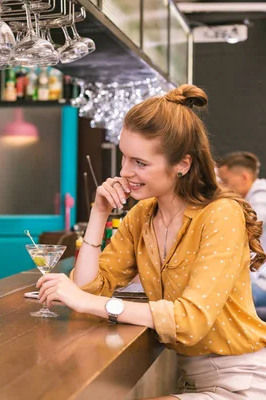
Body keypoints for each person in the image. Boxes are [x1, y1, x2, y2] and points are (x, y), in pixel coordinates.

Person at [37, 84, 266, 399]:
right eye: (124, 158)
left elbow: (190, 320)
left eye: (140, 163)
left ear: (182, 164)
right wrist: (99, 213)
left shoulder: (220, 214)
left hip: (243, 382)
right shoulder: (142, 215)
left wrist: (88, 302)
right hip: (193, 380)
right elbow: (88, 288)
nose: (124, 172)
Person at [218, 151, 266, 308]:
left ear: (244, 177)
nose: (222, 186)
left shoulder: (261, 198)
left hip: (262, 282)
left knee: (215, 296)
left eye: (225, 181)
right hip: (258, 276)